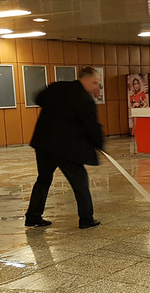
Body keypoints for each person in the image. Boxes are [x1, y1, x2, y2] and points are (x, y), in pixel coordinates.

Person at [26, 67, 104, 228]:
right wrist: (99, 144)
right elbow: (92, 126)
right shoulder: (84, 98)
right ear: (85, 79)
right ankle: (86, 219)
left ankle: (33, 216)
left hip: (44, 143)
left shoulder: (57, 87)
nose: (96, 87)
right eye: (95, 83)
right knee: (80, 183)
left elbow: (38, 98)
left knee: (43, 179)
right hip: (67, 149)